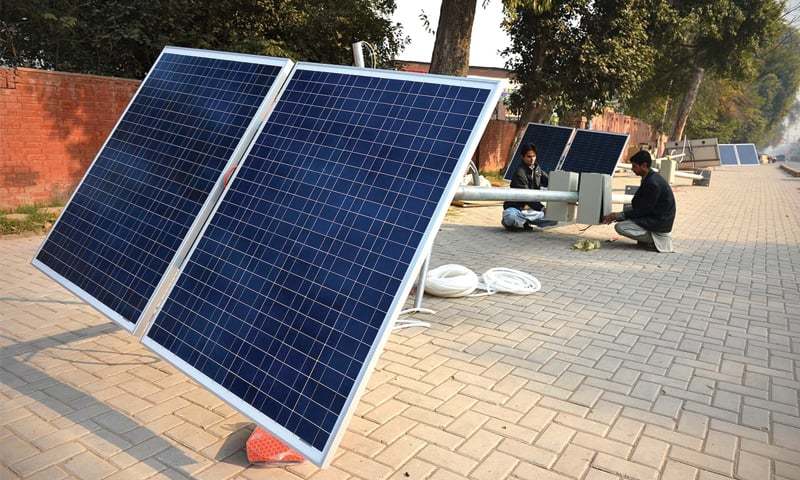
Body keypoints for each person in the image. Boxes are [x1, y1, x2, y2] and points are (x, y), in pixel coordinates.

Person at [601, 150, 675, 252]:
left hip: (658, 224)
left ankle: (653, 240)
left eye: (634, 166)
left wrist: (618, 216)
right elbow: (640, 206)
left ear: (644, 165)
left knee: (620, 227)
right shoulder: (650, 178)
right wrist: (620, 215)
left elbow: (643, 210)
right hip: (655, 218)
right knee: (625, 218)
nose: (632, 169)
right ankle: (646, 237)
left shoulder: (653, 183)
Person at [501, 144, 558, 231]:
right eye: (529, 156)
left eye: (534, 156)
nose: (532, 159)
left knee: (554, 218)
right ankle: (509, 222)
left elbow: (550, 182)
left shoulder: (537, 169)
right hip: (517, 209)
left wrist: (562, 180)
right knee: (511, 217)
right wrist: (542, 208)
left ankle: (523, 222)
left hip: (531, 211)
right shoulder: (519, 173)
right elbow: (526, 197)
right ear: (523, 157)